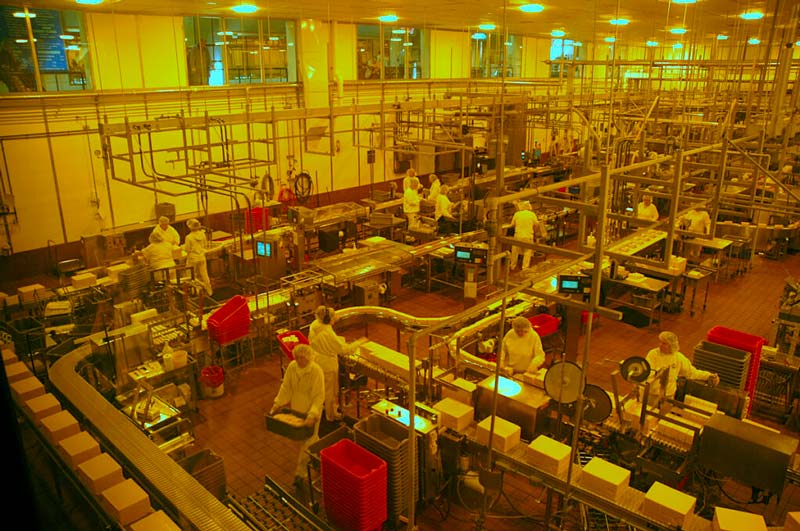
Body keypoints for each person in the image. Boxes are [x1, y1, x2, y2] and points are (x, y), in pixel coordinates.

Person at [268, 344, 324, 487]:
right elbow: (286, 386)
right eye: (297, 357)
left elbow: (319, 396)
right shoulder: (292, 367)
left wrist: (312, 414)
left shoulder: (316, 371)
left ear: (309, 357)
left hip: (312, 411)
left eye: (303, 357)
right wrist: (277, 403)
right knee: (309, 439)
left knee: (307, 442)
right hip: (297, 409)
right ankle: (319, 457)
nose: (300, 360)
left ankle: (300, 474)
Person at [308, 306, 363, 421]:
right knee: (330, 391)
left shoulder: (315, 325)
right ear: (328, 319)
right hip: (328, 364)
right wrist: (358, 342)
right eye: (333, 317)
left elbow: (328, 342)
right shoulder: (328, 332)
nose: (335, 319)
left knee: (320, 388)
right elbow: (343, 350)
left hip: (316, 359)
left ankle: (323, 408)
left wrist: (339, 340)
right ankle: (331, 415)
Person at [645, 331, 719, 401]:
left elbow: (691, 372)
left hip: (668, 395)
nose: (660, 345)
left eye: (664, 343)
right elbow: (648, 372)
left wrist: (709, 376)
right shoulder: (653, 354)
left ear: (671, 345)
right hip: (651, 393)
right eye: (660, 342)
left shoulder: (678, 358)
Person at [183, 218, 213, 296]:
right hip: (201, 257)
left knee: (191, 275)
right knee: (204, 274)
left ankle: (195, 291)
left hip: (193, 258)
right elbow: (205, 245)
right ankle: (209, 291)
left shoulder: (189, 237)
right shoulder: (202, 234)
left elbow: (187, 249)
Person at [509, 200, 540, 270]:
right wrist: (534, 231)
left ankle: (512, 266)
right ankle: (525, 268)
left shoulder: (517, 214)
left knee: (515, 251)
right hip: (528, 236)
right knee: (527, 252)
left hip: (518, 235)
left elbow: (512, 225)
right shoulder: (532, 214)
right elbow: (537, 224)